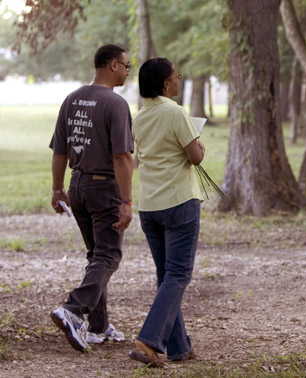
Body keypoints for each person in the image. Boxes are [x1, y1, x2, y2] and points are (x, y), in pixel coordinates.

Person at [49, 44, 134, 353]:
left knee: (97, 254)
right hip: (104, 188)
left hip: (78, 186)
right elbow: (123, 156)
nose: (127, 70)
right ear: (113, 65)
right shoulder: (115, 103)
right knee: (109, 256)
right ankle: (73, 309)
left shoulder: (71, 99)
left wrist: (58, 189)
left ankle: (98, 327)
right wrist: (126, 202)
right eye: (126, 65)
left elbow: (60, 150)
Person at [128, 57, 204, 367]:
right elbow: (196, 157)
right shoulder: (175, 112)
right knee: (178, 274)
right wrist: (199, 144)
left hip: (149, 206)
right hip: (179, 202)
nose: (179, 78)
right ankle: (148, 341)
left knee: (166, 276)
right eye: (175, 75)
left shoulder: (139, 117)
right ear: (165, 84)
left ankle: (180, 347)